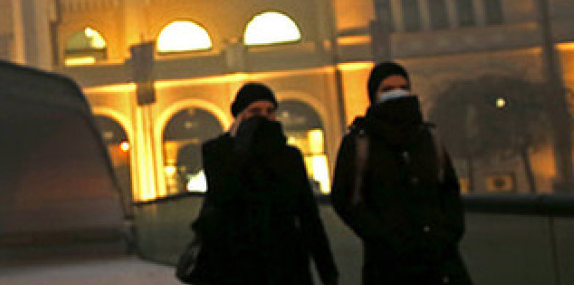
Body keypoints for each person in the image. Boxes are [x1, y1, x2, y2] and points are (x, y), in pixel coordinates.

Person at [330, 61, 471, 285]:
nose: (397, 94)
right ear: (373, 95)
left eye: (402, 88)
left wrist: (449, 232)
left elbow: (448, 188)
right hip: (389, 266)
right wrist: (382, 237)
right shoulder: (359, 142)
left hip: (440, 261)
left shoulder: (428, 137)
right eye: (387, 89)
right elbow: (344, 198)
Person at [186, 83, 338, 285]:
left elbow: (308, 214)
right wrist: (245, 144)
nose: (263, 117)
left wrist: (327, 270)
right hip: (236, 264)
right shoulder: (217, 152)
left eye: (269, 111)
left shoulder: (288, 156)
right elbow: (224, 195)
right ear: (239, 115)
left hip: (286, 261)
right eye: (254, 111)